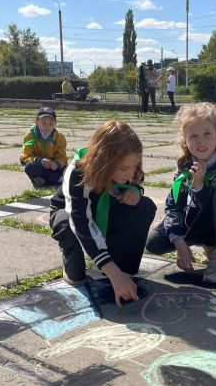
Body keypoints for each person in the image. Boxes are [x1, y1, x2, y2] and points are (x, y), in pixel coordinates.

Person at [49, 121, 157, 305]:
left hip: (106, 212)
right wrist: (110, 270)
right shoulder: (77, 173)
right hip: (71, 215)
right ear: (103, 161)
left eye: (134, 166)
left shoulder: (129, 170)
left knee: (144, 206)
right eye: (124, 168)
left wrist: (135, 191)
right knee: (67, 224)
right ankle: (73, 258)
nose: (130, 174)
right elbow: (80, 221)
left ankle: (123, 266)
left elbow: (135, 181)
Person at [147, 102, 216, 283]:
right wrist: (179, 241)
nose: (200, 141)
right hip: (196, 218)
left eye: (207, 134)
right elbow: (173, 205)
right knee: (153, 243)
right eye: (193, 136)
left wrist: (199, 186)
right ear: (185, 141)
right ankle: (207, 244)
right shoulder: (184, 168)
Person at [20, 107, 68, 188]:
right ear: (36, 122)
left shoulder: (60, 137)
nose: (47, 127)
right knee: (29, 167)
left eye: (51, 124)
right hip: (39, 165)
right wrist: (40, 161)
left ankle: (45, 180)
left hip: (53, 167)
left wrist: (56, 164)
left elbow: (63, 158)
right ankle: (58, 179)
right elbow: (24, 157)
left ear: (55, 123)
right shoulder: (30, 136)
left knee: (70, 168)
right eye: (44, 123)